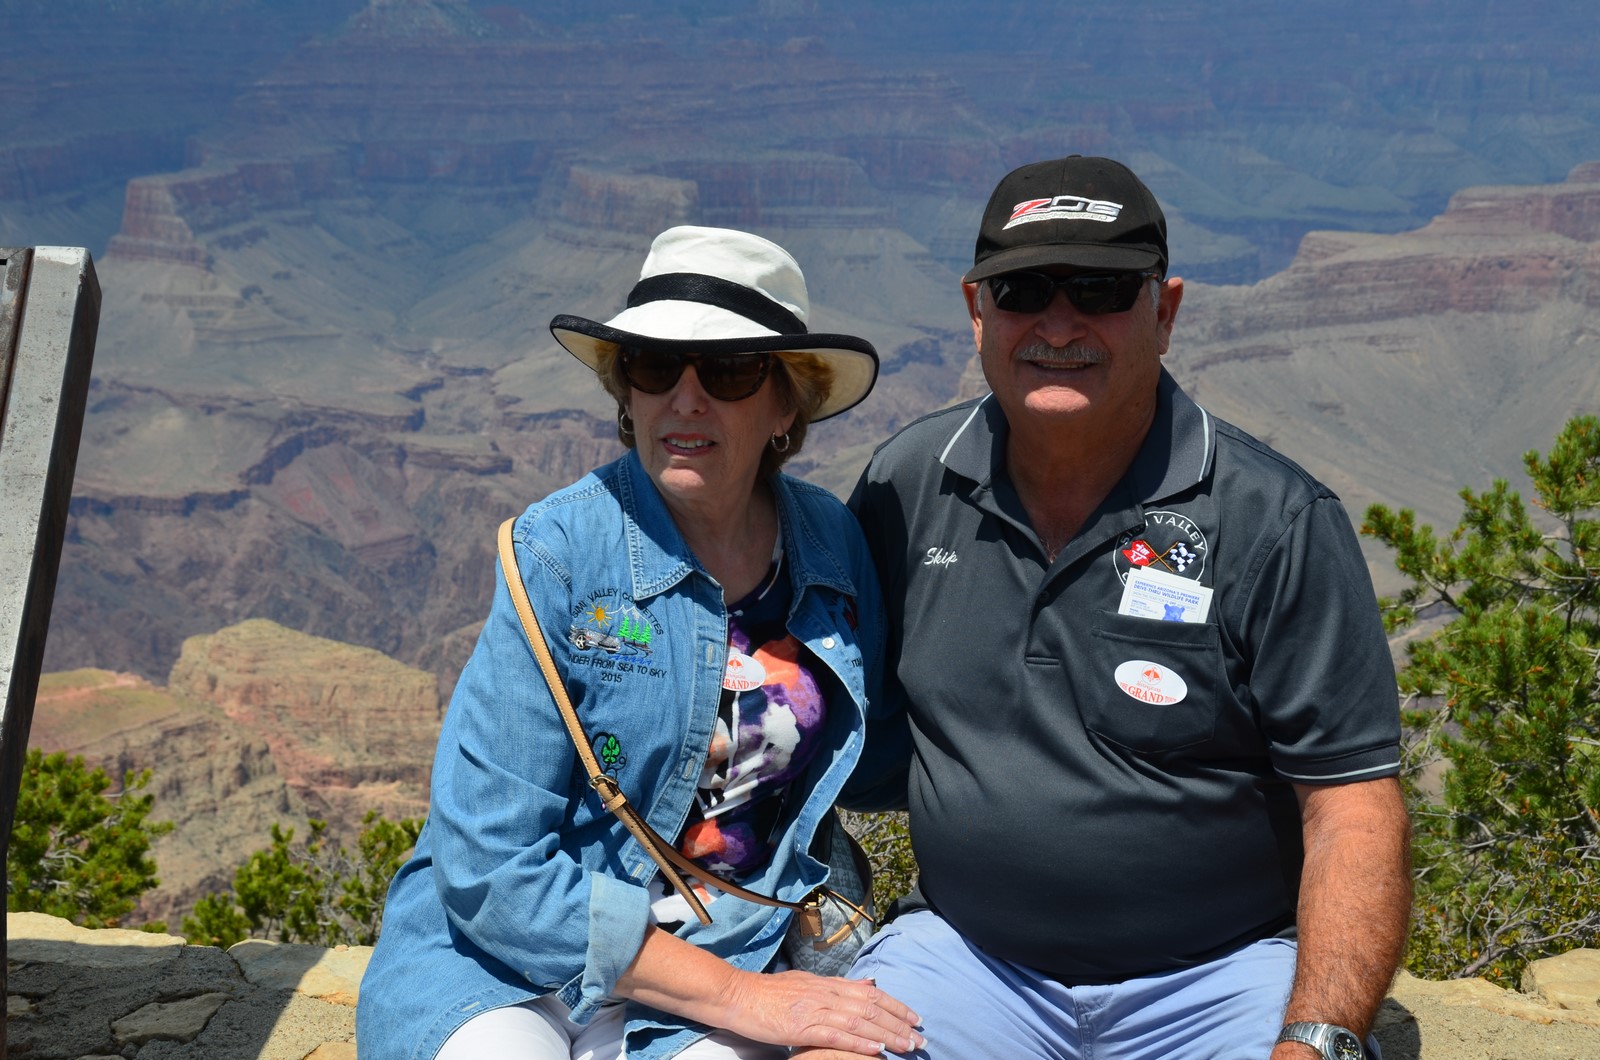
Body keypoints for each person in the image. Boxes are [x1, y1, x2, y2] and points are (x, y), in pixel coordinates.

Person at [813, 157, 1412, 1060]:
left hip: (1220, 977)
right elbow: (826, 708)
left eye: (1099, 289)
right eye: (1023, 290)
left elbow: (1354, 806)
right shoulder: (909, 486)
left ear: (1164, 311)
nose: (1059, 324)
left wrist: (1315, 1038)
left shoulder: (1273, 519)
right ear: (978, 310)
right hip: (968, 960)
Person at [357, 226, 924, 1060]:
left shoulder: (830, 550)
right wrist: (748, 1002)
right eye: (655, 366)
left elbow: (889, 756)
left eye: (727, 370)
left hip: (727, 945)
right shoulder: (558, 555)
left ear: (785, 404)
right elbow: (490, 867)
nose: (684, 400)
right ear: (627, 393)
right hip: (504, 966)